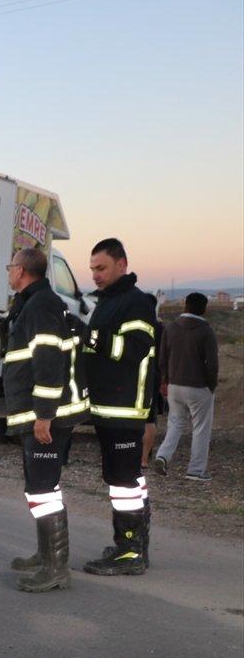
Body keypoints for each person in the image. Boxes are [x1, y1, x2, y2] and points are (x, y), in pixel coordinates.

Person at [3, 249, 89, 592]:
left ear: (21, 270)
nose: (8, 271)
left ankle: (56, 569)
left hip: (47, 418)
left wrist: (44, 415)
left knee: (43, 489)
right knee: (38, 487)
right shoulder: (33, 302)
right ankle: (44, 555)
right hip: (39, 414)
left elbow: (48, 361)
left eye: (11, 266)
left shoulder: (39, 306)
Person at [80, 238, 157, 576]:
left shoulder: (137, 302)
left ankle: (129, 553)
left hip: (125, 407)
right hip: (107, 405)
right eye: (93, 269)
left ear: (122, 265)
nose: (95, 275)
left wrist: (91, 338)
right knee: (126, 479)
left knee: (123, 480)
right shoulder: (106, 302)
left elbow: (136, 348)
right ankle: (133, 544)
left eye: (102, 268)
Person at [154, 292, 218, 481]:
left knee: (175, 424)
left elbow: (162, 358)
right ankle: (196, 470)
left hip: (174, 385)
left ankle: (162, 456)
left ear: (185, 306)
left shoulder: (171, 328)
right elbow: (212, 363)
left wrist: (165, 381)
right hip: (199, 387)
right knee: (201, 428)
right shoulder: (206, 330)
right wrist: (211, 386)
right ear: (204, 309)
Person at [141, 294, 165, 470]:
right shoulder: (160, 327)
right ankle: (145, 457)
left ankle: (138, 455)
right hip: (155, 373)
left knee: (141, 418)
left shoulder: (140, 325)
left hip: (139, 374)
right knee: (150, 417)